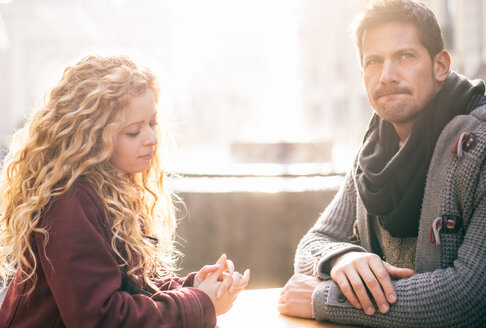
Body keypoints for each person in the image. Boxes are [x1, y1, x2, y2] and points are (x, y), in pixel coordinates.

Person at [0, 54, 250, 328]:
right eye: (133, 132)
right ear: (92, 137)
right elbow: (101, 318)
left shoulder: (114, 189)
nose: (152, 139)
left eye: (152, 124)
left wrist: (194, 287)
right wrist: (199, 302)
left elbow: (132, 289)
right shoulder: (69, 200)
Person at [278, 0, 486, 327]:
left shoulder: (480, 144)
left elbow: (471, 297)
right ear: (362, 74)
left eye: (405, 56)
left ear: (440, 66)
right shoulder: (375, 149)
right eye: (374, 61)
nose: (387, 76)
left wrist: (327, 298)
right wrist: (342, 259)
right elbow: (314, 243)